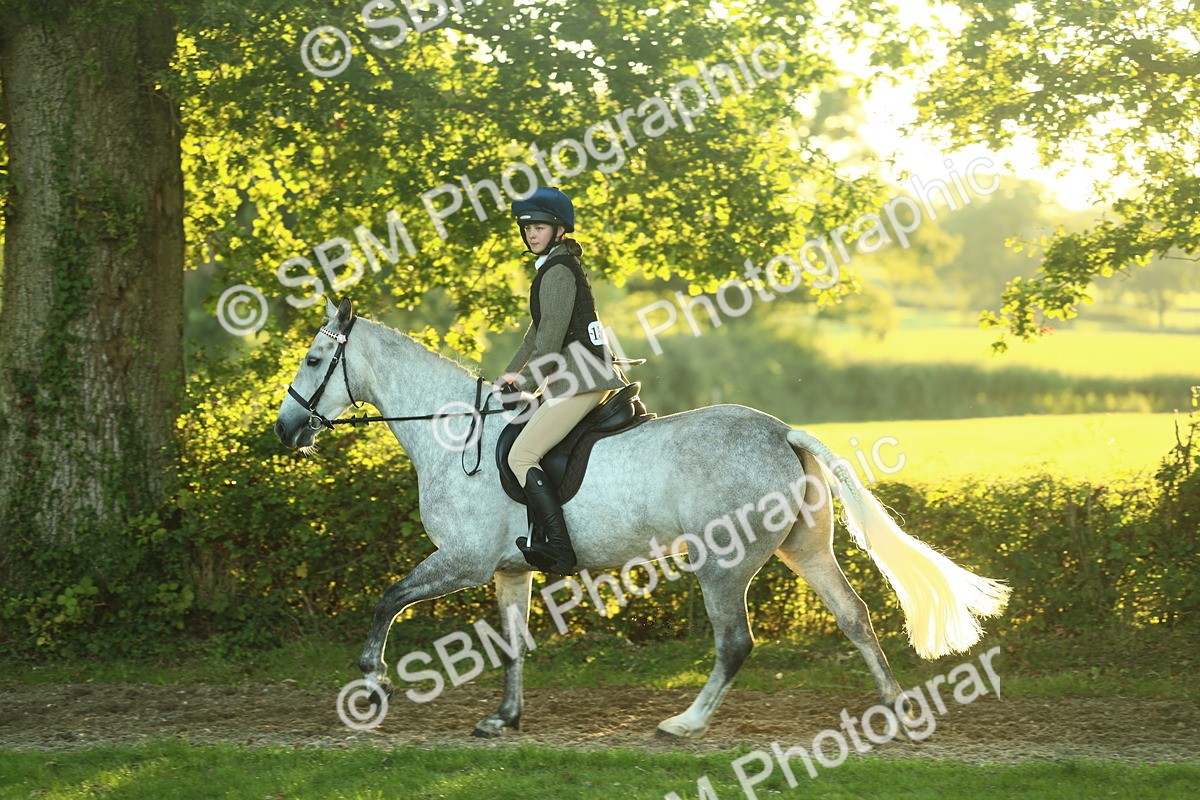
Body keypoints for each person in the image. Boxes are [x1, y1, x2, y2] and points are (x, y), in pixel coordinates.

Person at [497, 186, 627, 575]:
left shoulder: (556, 272)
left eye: (538, 227)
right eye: (527, 228)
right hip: (579, 377)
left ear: (559, 230)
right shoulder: (555, 266)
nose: (531, 234)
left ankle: (560, 547)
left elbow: (550, 342)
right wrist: (510, 375)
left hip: (580, 380)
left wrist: (525, 384)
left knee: (521, 456)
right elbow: (535, 336)